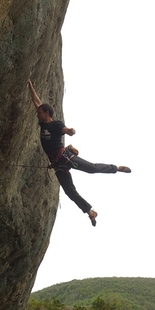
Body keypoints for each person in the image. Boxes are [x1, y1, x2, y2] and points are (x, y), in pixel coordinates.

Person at [27, 79, 131, 227]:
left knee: (91, 168)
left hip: (64, 158)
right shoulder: (43, 122)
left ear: (47, 113)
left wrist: (70, 131)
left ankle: (117, 168)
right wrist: (31, 87)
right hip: (58, 164)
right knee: (70, 192)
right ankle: (90, 211)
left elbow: (67, 130)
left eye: (39, 112)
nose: (37, 114)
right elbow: (37, 102)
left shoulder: (55, 125)